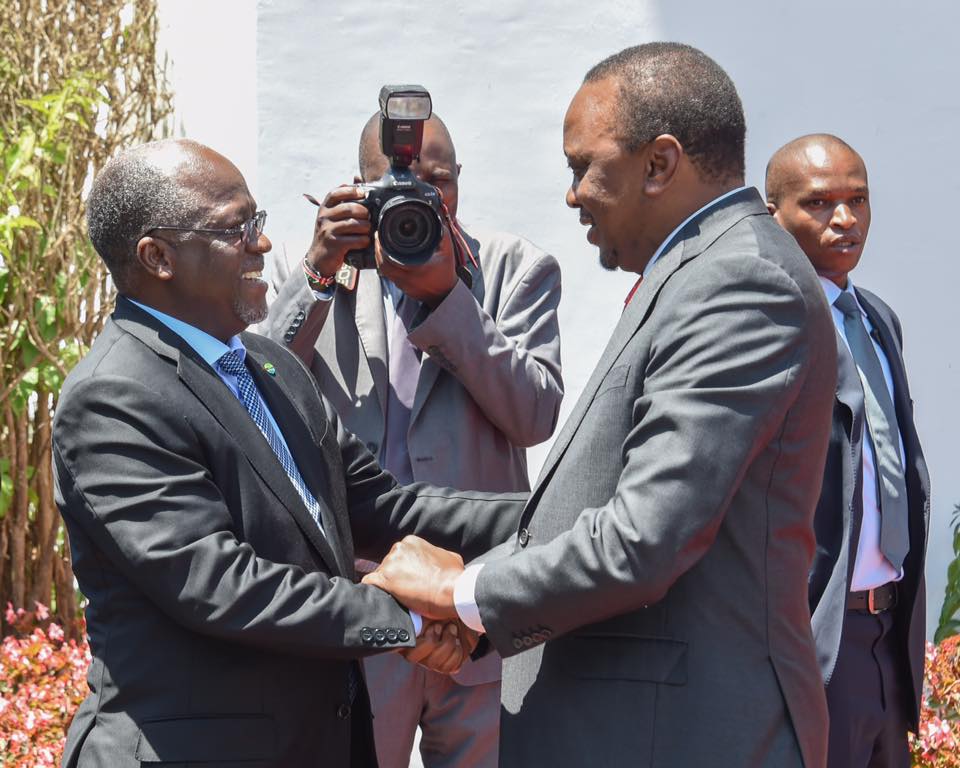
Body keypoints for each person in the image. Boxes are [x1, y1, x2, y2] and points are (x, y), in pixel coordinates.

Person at [362, 42, 838, 768]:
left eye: (584, 165)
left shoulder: (740, 281)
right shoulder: (696, 271)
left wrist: (464, 590)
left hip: (685, 734)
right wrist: (471, 604)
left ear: (659, 163)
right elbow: (593, 502)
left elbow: (644, 537)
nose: (573, 193)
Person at [52, 138, 526, 768]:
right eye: (236, 229)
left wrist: (555, 514)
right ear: (157, 256)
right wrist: (414, 619)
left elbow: (384, 507)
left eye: (259, 222)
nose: (264, 245)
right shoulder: (114, 395)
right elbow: (220, 584)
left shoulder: (270, 365)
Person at [264, 110, 562, 768]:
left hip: (478, 604)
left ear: (460, 182)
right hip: (359, 604)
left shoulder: (517, 268)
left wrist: (447, 301)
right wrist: (320, 269)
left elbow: (536, 415)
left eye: (440, 181)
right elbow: (252, 393)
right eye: (398, 183)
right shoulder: (312, 264)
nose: (424, 198)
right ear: (359, 188)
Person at [766, 134, 930, 768]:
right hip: (812, 642)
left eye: (858, 200)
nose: (845, 219)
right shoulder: (768, 319)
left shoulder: (877, 317)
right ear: (772, 211)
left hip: (887, 637)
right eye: (820, 203)